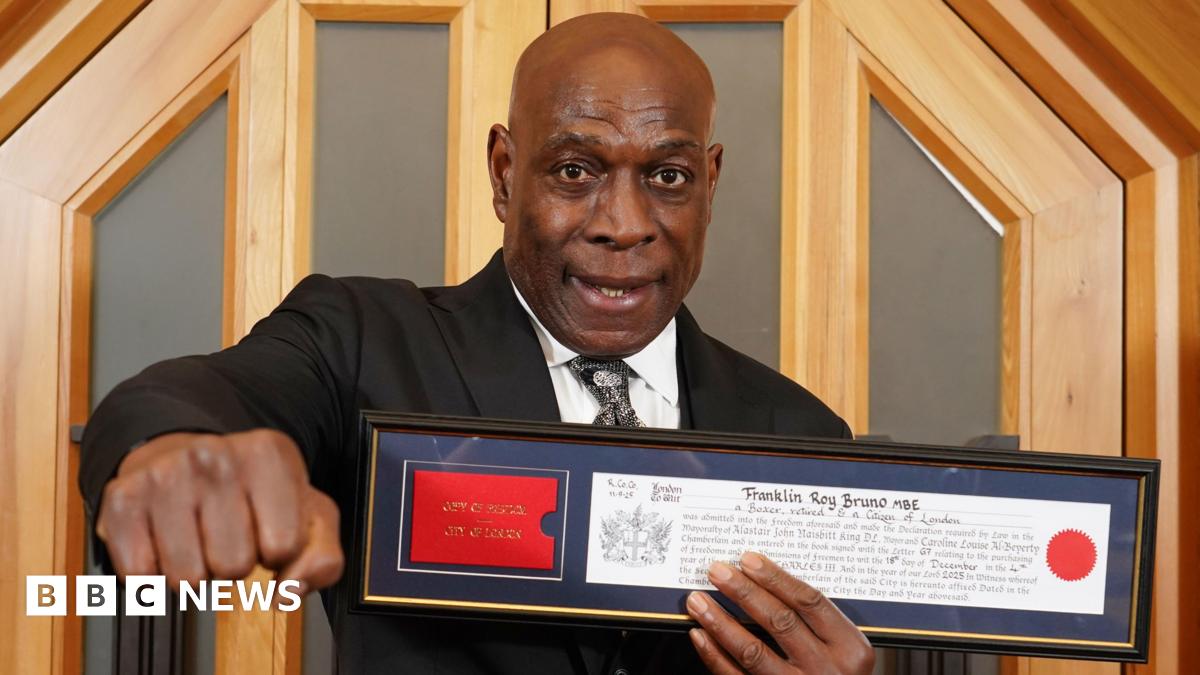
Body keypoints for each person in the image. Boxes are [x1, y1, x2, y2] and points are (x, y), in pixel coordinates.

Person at [81, 12, 875, 675]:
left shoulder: (803, 437)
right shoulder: (367, 341)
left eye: (667, 177)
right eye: (574, 169)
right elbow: (204, 394)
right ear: (504, 173)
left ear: (710, 181)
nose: (624, 224)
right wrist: (171, 444)